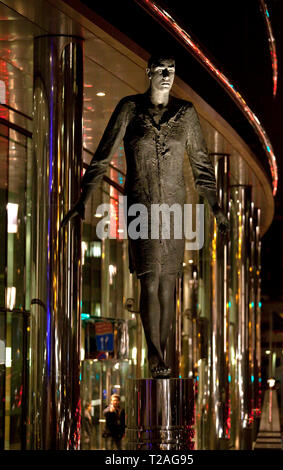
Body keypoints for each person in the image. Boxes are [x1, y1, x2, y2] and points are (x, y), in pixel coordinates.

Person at [61, 52, 229, 378]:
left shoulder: (186, 114)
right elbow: (102, 155)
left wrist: (216, 207)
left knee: (169, 282)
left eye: (172, 70)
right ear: (149, 71)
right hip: (141, 203)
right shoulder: (130, 108)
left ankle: (160, 354)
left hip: (176, 206)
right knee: (149, 277)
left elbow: (202, 168)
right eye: (161, 69)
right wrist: (84, 197)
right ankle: (153, 352)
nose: (167, 75)